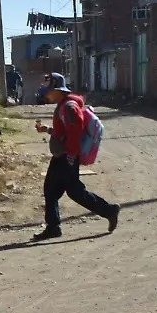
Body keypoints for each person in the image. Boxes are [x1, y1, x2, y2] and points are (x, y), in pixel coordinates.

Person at [32, 73, 120, 241]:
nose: (47, 94)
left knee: (75, 193)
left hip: (66, 157)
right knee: (52, 191)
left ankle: (109, 210)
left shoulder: (69, 107)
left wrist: (72, 156)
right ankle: (53, 227)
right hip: (62, 156)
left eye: (49, 91)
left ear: (58, 90)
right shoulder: (64, 105)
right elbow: (62, 132)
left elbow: (75, 132)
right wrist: (47, 130)